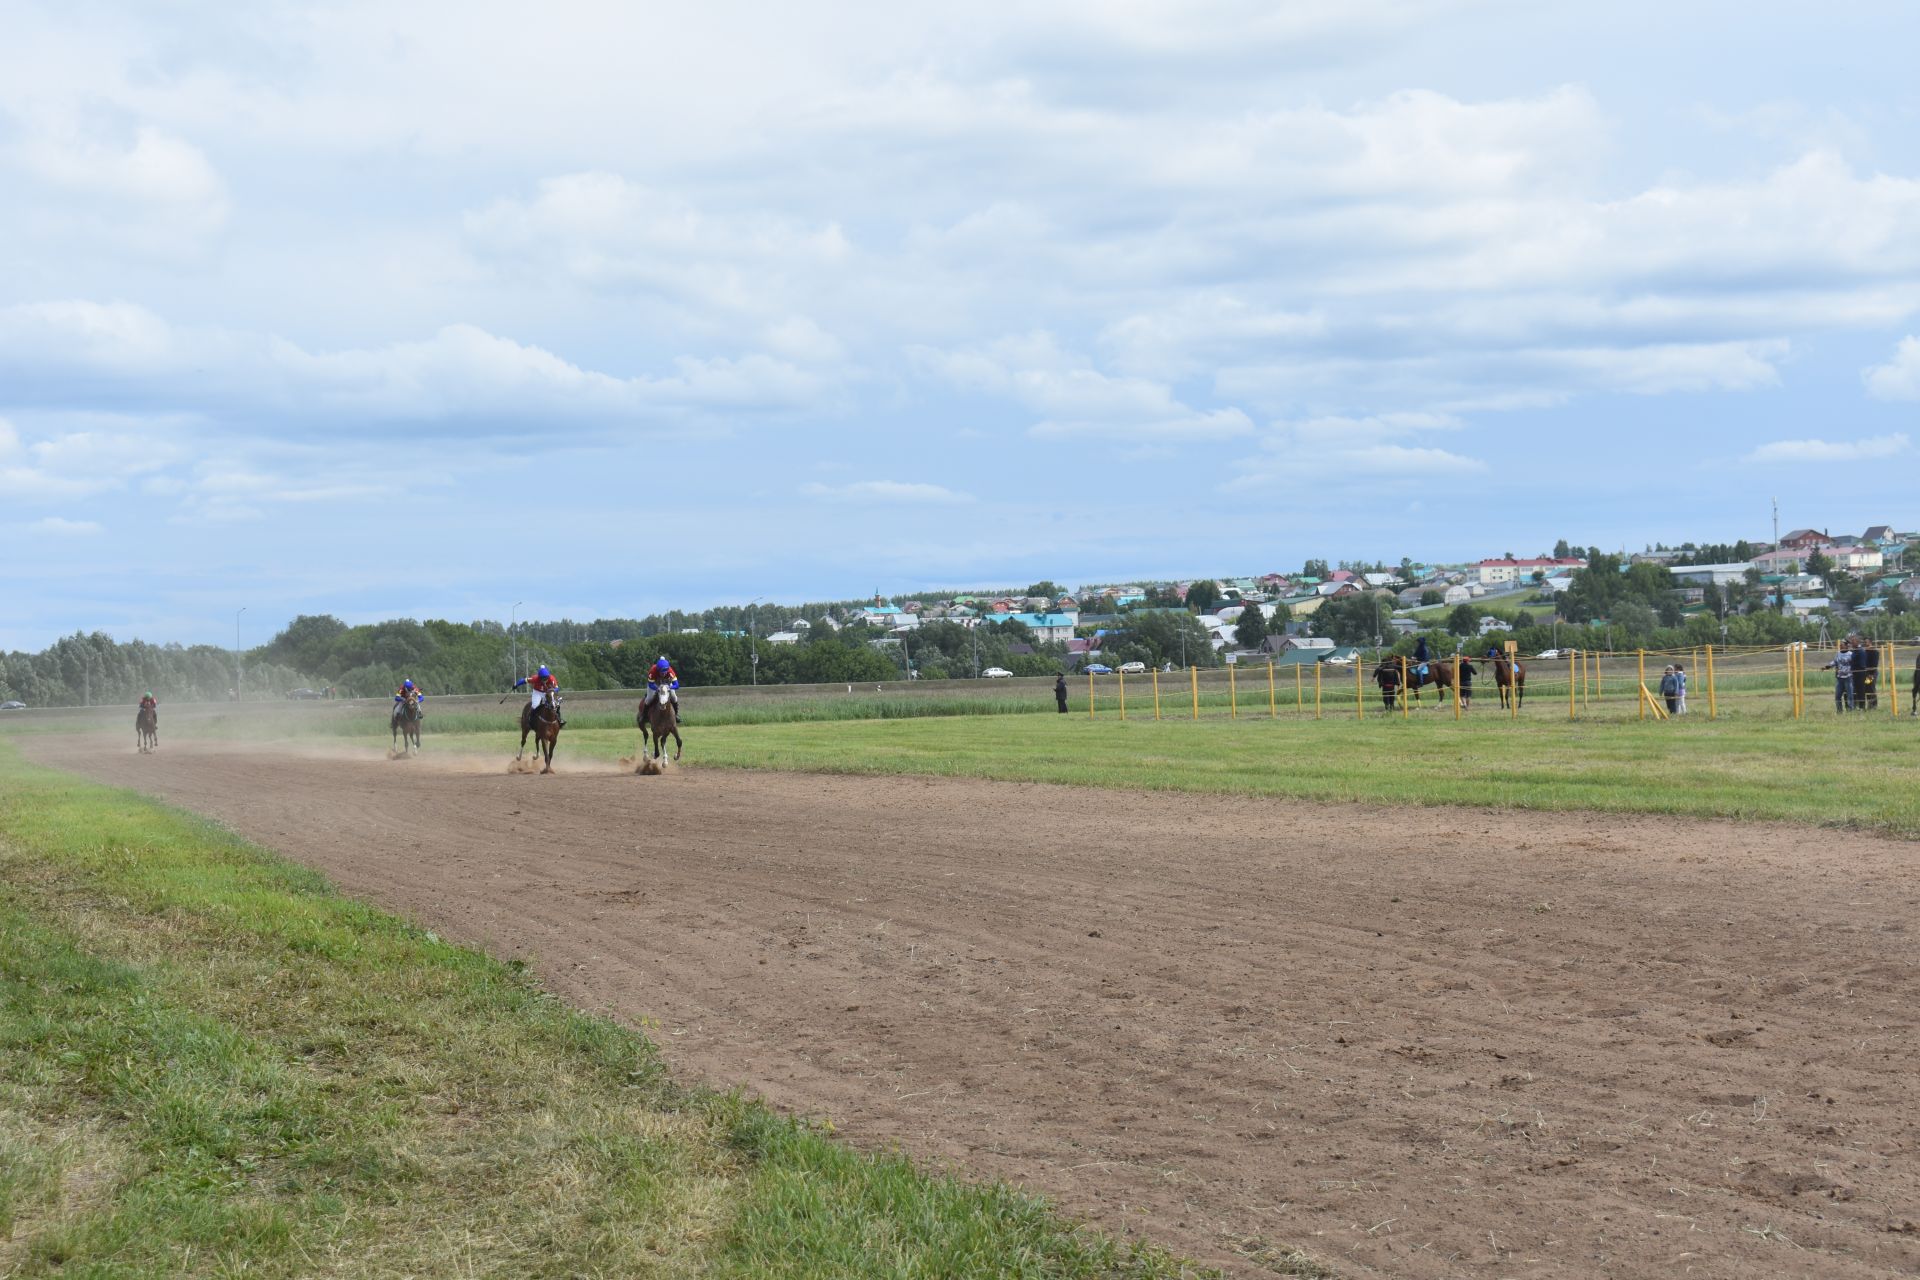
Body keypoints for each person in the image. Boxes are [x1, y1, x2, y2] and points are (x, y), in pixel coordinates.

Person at [1823, 645, 1854, 713]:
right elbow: (1834, 662)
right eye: (1840, 646)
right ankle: (1839, 711)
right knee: (1837, 696)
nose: (1841, 647)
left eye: (1842, 645)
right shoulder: (1838, 653)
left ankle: (1851, 711)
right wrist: (1827, 667)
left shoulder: (1851, 654)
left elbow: (1854, 664)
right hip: (1840, 678)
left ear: (1846, 646)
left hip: (1848, 677)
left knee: (1850, 696)